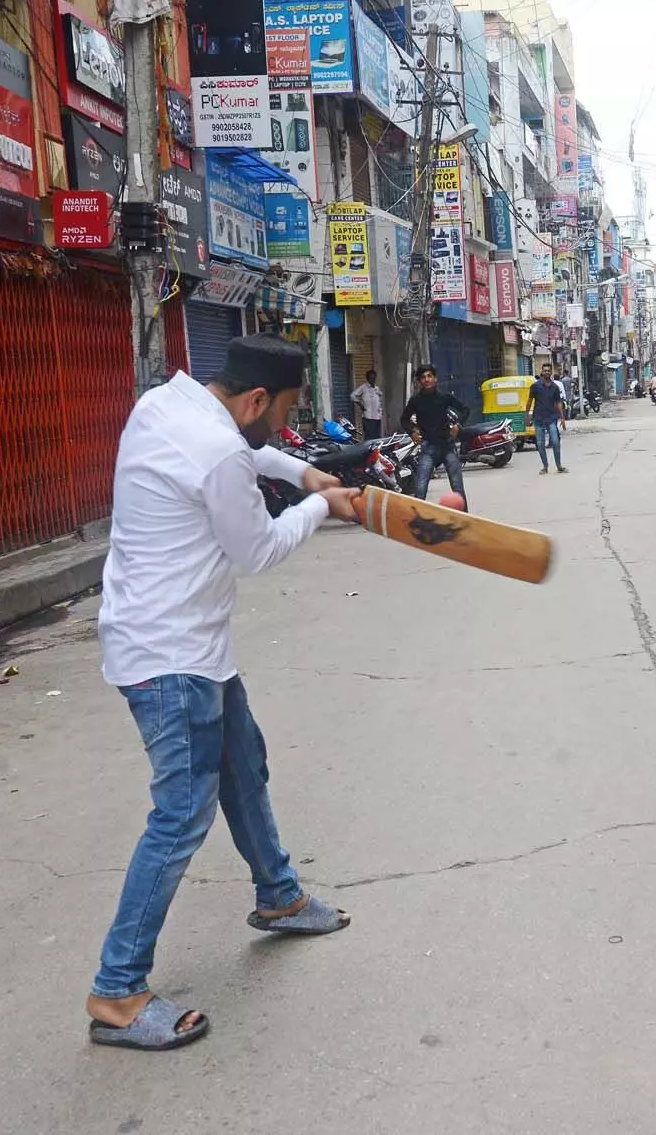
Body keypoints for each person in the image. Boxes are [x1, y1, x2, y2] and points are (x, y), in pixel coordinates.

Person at [87, 334, 361, 1053]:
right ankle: (117, 988)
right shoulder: (220, 451)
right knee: (180, 814)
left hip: (184, 645)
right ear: (254, 401)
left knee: (244, 764)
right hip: (169, 656)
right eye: (282, 415)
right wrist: (324, 507)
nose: (279, 427)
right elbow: (258, 548)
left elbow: (249, 453)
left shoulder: (166, 404)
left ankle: (279, 893)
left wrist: (304, 471)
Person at [400, 365, 470, 503]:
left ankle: (464, 520)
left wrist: (458, 425)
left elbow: (465, 410)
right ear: (420, 381)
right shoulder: (415, 401)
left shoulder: (445, 397)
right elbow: (404, 419)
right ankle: (419, 522)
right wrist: (412, 431)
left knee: (458, 489)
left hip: (447, 446)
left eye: (429, 376)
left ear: (435, 379)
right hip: (428, 449)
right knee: (420, 490)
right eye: (423, 377)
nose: (427, 380)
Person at [527, 365, 568, 474]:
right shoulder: (535, 386)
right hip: (538, 418)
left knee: (555, 441)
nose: (546, 372)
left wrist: (562, 418)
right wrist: (526, 416)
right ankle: (545, 467)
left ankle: (559, 466)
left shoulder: (555, 387)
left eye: (548, 371)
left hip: (551, 418)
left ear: (551, 372)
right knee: (540, 444)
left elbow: (558, 403)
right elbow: (530, 400)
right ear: (542, 372)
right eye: (544, 370)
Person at [350, 370, 384, 439]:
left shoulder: (377, 388)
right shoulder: (363, 387)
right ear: (367, 378)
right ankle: (368, 449)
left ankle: (376, 449)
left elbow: (380, 399)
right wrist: (360, 404)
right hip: (368, 417)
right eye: (370, 378)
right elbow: (353, 396)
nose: (372, 380)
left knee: (377, 437)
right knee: (369, 437)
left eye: (373, 378)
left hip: (377, 417)